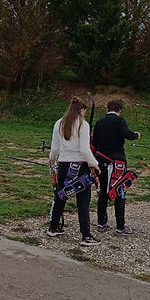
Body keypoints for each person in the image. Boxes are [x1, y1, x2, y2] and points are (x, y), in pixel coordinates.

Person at [47, 96, 102, 246]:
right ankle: (86, 236)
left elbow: (55, 147)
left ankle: (53, 227)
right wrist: (94, 164)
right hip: (79, 166)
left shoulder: (59, 123)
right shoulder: (83, 124)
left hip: (64, 165)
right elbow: (84, 149)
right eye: (85, 111)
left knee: (61, 195)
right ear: (82, 110)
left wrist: (52, 158)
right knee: (83, 200)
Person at [92, 99, 141, 235]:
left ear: (107, 108)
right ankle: (120, 226)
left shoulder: (100, 122)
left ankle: (101, 222)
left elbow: (94, 141)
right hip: (116, 160)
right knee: (119, 190)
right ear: (120, 110)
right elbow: (126, 133)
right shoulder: (119, 120)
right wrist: (136, 135)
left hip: (101, 159)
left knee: (103, 191)